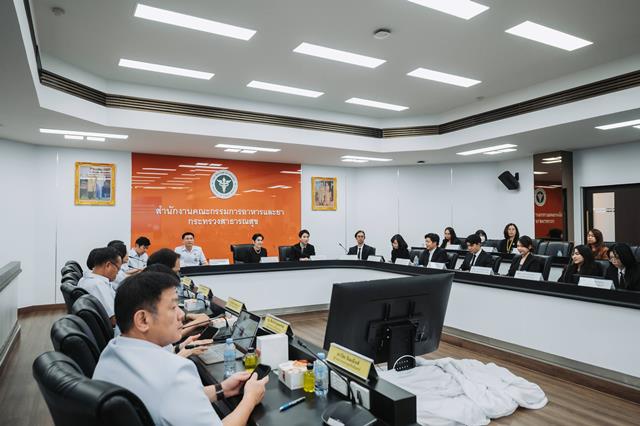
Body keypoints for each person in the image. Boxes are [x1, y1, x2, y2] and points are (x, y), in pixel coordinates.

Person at [93, 272, 268, 426]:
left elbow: (173, 399)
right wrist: (250, 399)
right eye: (173, 307)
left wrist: (223, 389)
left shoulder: (111, 351)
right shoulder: (174, 372)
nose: (181, 315)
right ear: (143, 320)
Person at [147, 248, 213, 335]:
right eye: (176, 271)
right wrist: (196, 323)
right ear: (164, 270)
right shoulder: (151, 296)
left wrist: (188, 316)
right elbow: (167, 336)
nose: (178, 275)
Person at [77, 247, 122, 325]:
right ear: (108, 265)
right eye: (118, 269)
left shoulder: (85, 278)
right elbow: (113, 319)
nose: (118, 273)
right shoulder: (98, 285)